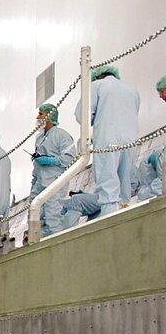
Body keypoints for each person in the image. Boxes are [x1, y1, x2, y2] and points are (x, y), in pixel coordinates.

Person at [74, 65, 140, 215]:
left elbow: (82, 116)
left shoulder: (96, 86)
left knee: (107, 187)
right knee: (124, 187)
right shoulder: (132, 91)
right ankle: (124, 216)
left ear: (97, 76)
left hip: (107, 140)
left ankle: (109, 221)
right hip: (130, 142)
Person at [30, 102, 77, 236]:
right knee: (36, 218)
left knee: (52, 217)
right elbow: (37, 164)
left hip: (54, 183)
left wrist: (51, 160)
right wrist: (34, 181)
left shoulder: (62, 136)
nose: (37, 117)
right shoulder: (40, 138)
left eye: (40, 114)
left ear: (50, 116)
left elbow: (69, 158)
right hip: (40, 183)